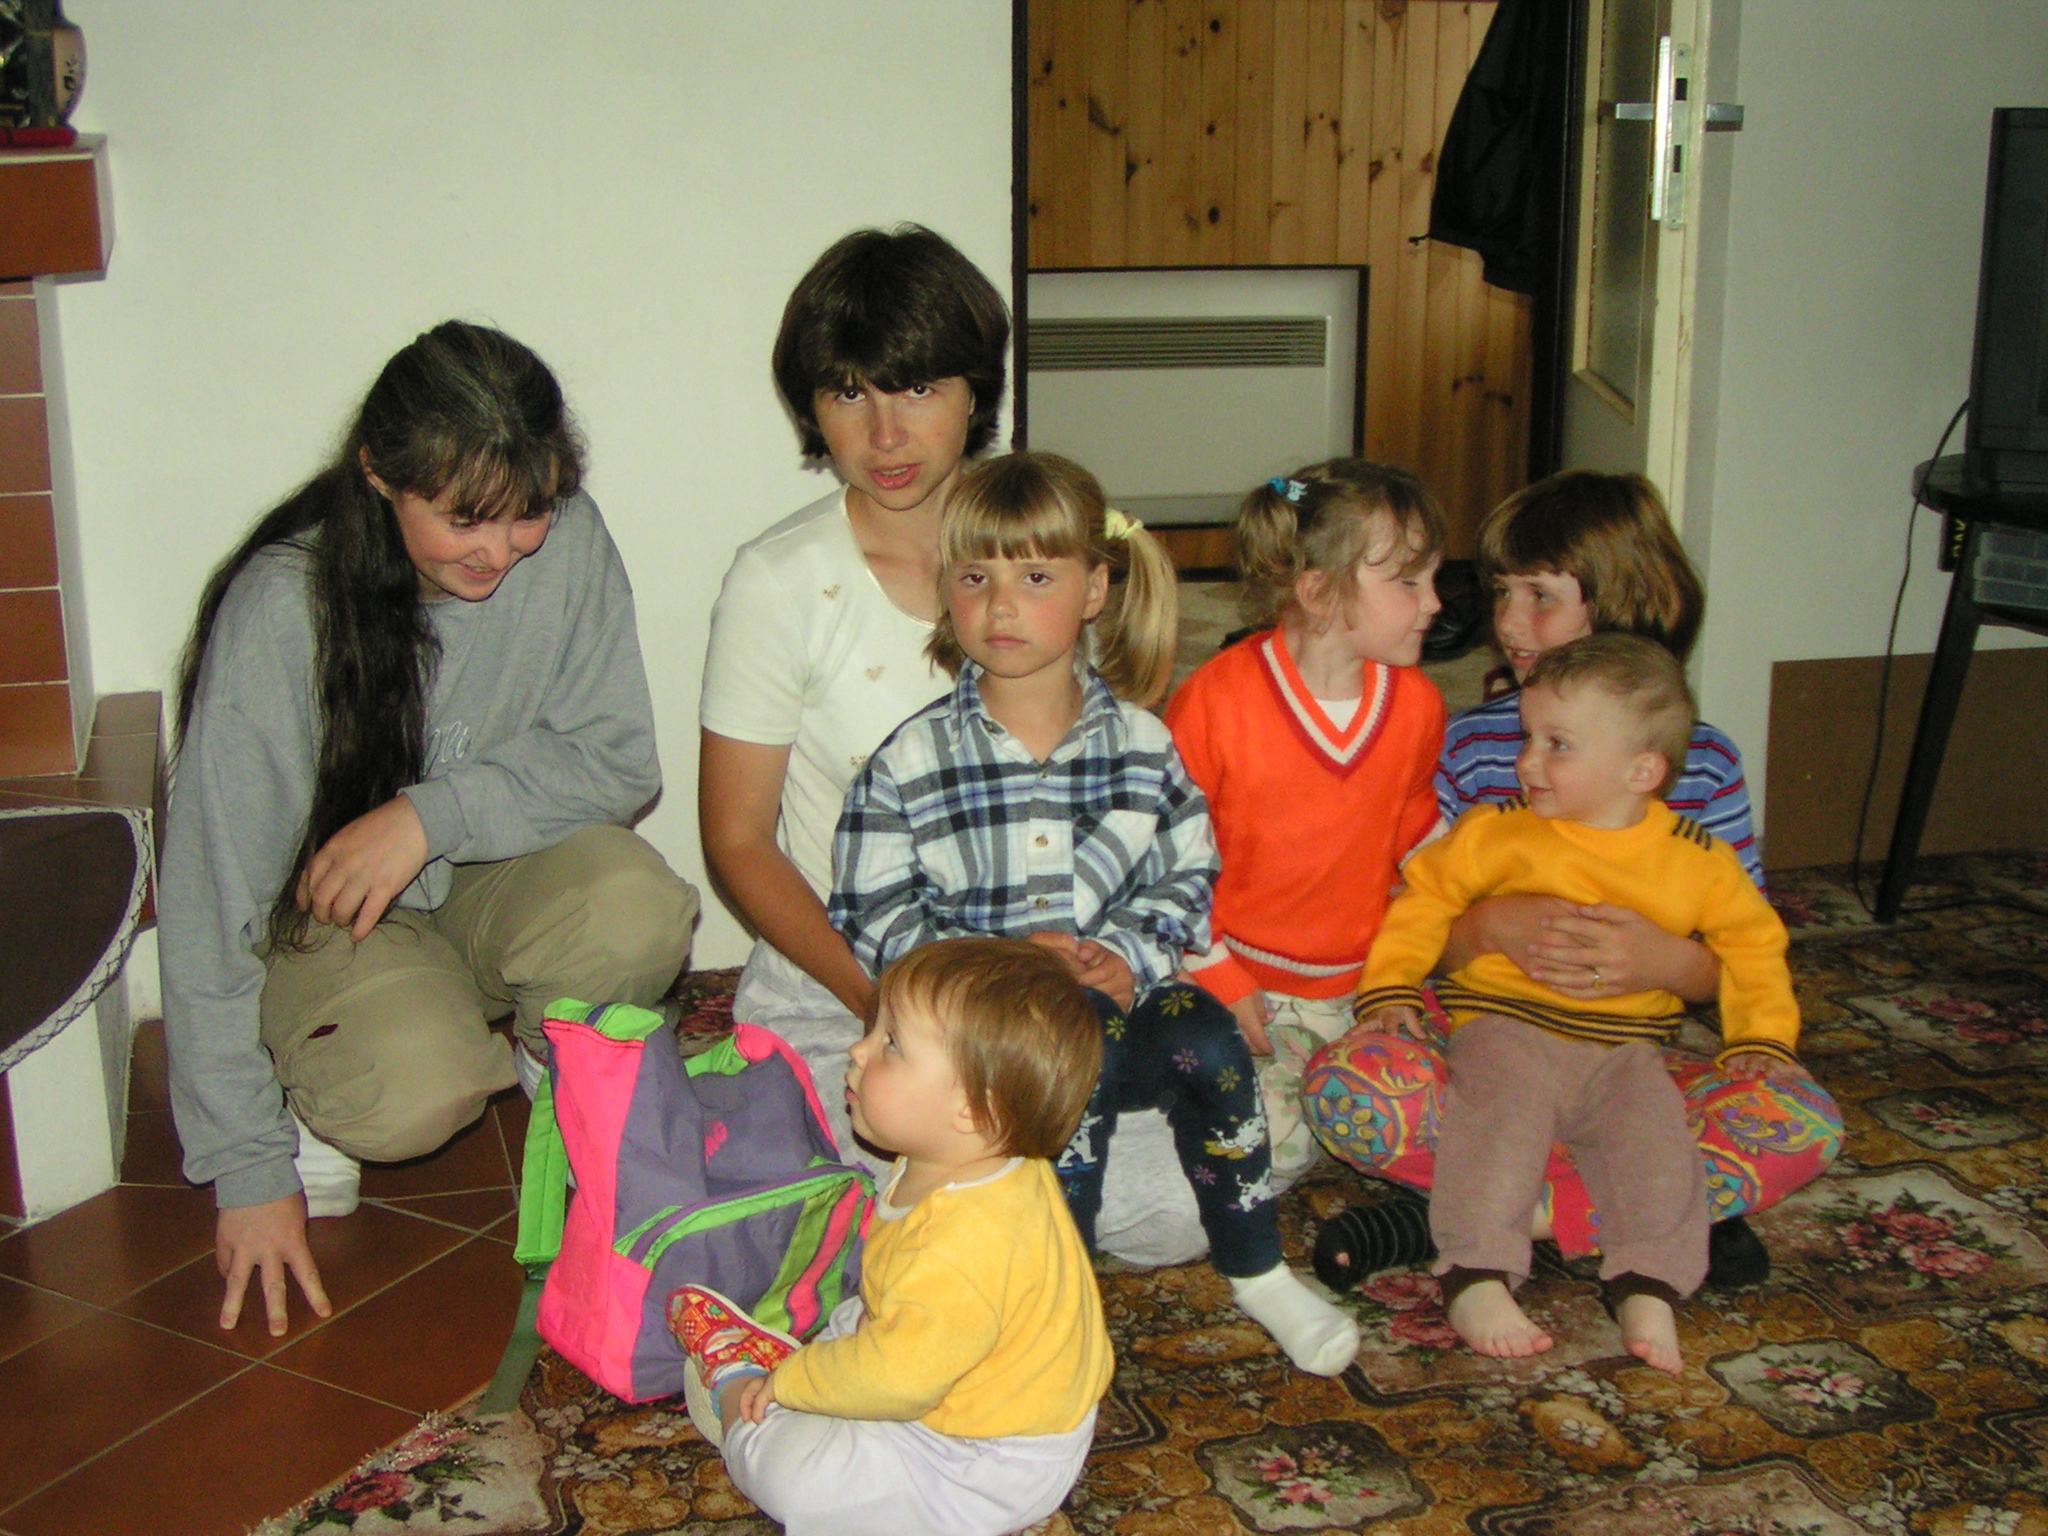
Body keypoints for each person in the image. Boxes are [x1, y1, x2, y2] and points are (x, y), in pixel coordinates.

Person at [162, 321, 696, 1338]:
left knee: (639, 906)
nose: (501, 549)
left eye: (528, 510)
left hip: (488, 871)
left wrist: (427, 814)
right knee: (415, 1091)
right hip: (331, 920)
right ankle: (315, 1086)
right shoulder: (283, 607)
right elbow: (209, 899)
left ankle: (553, 1059)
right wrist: (247, 1168)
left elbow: (620, 760)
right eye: (464, 519)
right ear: (378, 476)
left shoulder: (570, 541)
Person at [698, 224, 1203, 1263]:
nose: (885, 433)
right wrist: (891, 1009)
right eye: (848, 393)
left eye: (918, 388)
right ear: (811, 408)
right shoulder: (779, 580)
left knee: (1180, 1202)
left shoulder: (1045, 536)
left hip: (1051, 973)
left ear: (977, 392)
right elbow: (738, 842)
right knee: (881, 1200)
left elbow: (1131, 795)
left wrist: (1103, 968)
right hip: (851, 970)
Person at [830, 452, 1360, 1377]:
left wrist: (1128, 954)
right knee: (1081, 1046)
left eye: (1035, 578)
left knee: (1208, 1038)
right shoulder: (910, 761)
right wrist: (998, 965)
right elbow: (872, 911)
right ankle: (1060, 1292)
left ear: (1095, 589)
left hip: (1124, 1009)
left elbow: (1187, 877)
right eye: (974, 579)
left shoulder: (1144, 746)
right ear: (945, 591)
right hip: (991, 1049)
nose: (1000, 606)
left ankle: (1258, 1268)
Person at [1303, 471, 1842, 1281]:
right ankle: (1648, 1209)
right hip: (1486, 1047)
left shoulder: (1703, 763)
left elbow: (1743, 956)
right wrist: (1487, 930)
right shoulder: (1468, 745)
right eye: (1500, 591)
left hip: (1626, 1064)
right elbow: (1408, 919)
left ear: (1623, 600)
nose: (1509, 620)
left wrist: (1666, 961)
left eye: (1541, 596)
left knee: (1803, 1122)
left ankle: (1488, 1214)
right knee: (1350, 1086)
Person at [1349, 635, 1804, 1373]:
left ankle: (1648, 1281)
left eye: (1556, 745)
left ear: (1641, 770)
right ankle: (1476, 1272)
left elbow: (1756, 947)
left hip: (1625, 1053)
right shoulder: (1495, 831)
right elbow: (1421, 903)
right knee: (1501, 1120)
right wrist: (1391, 988)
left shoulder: (1698, 861)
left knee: (1656, 1144)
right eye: (1528, 737)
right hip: (1505, 1029)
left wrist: (1762, 1038)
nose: (1527, 762)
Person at [670, 938, 1112, 1536]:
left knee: (795, 1480)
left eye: (892, 1044)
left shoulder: (966, 1241)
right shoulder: (964, 1157)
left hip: (979, 1462)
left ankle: (736, 1387)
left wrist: (790, 1383)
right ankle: (834, 1367)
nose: (858, 1048)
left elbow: (901, 1380)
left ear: (973, 1110)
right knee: (866, 1324)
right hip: (970, 1384)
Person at [1166, 462, 1448, 1188]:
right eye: (1409, 582)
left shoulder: (1417, 705)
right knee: (1268, 1153)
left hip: (1369, 984)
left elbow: (1416, 824)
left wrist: (1485, 883)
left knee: (1446, 1106)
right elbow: (1169, 856)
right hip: (1243, 985)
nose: (1435, 603)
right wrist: (1216, 972)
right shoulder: (1214, 703)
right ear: (1319, 592)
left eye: (1432, 579)